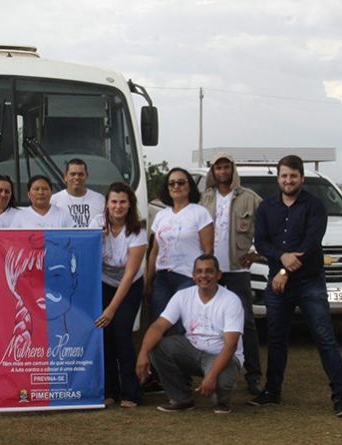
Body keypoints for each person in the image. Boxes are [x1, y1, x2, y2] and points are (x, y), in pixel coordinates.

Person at [249, 155, 342, 418]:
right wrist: (281, 258)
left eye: (293, 176)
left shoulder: (315, 206)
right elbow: (261, 242)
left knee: (325, 338)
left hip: (309, 283)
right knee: (276, 339)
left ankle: (340, 397)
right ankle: (272, 392)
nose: (288, 180)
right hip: (278, 284)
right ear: (278, 178)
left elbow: (311, 243)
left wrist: (285, 269)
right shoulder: (267, 207)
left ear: (302, 178)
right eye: (284, 176)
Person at [136, 255, 244, 414]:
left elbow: (231, 344)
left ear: (218, 275)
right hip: (192, 351)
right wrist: (143, 353)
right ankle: (181, 399)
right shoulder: (182, 295)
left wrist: (211, 376)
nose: (203, 275)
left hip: (221, 354)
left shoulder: (231, 300)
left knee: (221, 383)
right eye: (199, 271)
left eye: (209, 271)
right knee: (157, 346)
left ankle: (222, 399)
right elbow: (158, 326)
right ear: (193, 276)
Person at [199, 153, 263, 395]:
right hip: (210, 271)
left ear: (233, 169)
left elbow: (268, 227)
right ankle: (212, 373)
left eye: (226, 167)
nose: (223, 172)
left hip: (237, 269)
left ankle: (254, 377)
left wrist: (257, 252)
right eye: (218, 168)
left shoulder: (250, 198)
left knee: (245, 322)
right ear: (213, 171)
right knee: (208, 322)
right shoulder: (205, 198)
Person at [90, 182, 147, 408]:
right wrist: (99, 239)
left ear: (130, 205)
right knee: (104, 335)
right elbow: (88, 260)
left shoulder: (138, 231)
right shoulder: (97, 224)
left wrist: (111, 309)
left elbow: (129, 273)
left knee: (122, 333)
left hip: (129, 284)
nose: (118, 206)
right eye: (113, 201)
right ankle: (109, 390)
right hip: (104, 282)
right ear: (107, 204)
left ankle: (131, 393)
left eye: (123, 202)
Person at [146, 168, 214, 322]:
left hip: (189, 278)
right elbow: (154, 251)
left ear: (190, 186)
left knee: (186, 325)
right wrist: (148, 282)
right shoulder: (161, 215)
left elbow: (208, 250)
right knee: (158, 322)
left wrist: (203, 278)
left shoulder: (200, 213)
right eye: (171, 183)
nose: (176, 186)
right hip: (162, 278)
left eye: (181, 182)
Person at [50, 158, 105, 227]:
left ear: (86, 176)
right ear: (65, 177)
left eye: (81, 174)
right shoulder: (53, 201)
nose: (76, 177)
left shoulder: (100, 200)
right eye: (73, 174)